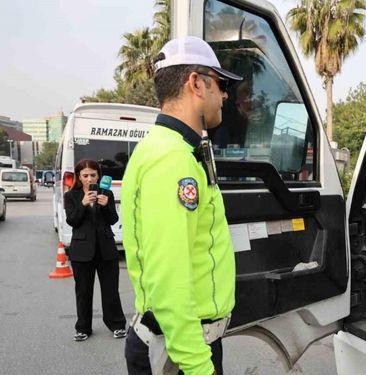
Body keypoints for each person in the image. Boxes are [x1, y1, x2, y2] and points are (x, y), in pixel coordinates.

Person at [121, 36, 242, 375]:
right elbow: (169, 280)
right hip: (180, 354)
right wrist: (199, 368)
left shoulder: (171, 149)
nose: (225, 95)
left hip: (181, 347)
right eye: (220, 84)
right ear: (196, 83)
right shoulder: (172, 159)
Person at [63, 158, 127, 341]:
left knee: (111, 290)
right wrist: (83, 204)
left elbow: (113, 220)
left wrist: (106, 205)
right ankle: (83, 328)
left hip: (106, 249)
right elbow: (72, 221)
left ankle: (117, 324)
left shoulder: (107, 193)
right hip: (81, 252)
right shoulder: (71, 196)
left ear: (99, 175)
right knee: (83, 291)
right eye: (85, 175)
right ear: (79, 177)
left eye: (93, 175)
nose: (90, 179)